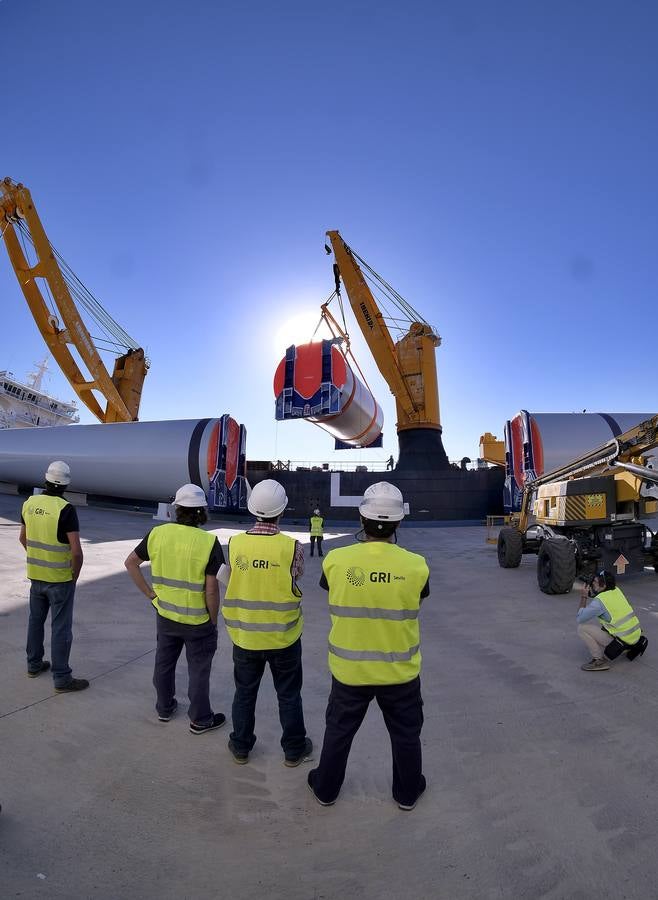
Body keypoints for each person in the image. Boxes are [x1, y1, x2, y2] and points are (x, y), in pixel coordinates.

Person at [308, 482, 430, 810]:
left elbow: (328, 588)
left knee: (338, 732)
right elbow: (418, 597)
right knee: (406, 735)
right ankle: (406, 793)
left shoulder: (335, 560)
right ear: (398, 522)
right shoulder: (416, 565)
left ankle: (326, 789)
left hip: (350, 672)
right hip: (399, 673)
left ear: (362, 520)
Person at [221, 479, 312, 766]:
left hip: (245, 636)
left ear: (253, 510)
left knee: (244, 694)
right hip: (284, 638)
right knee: (288, 695)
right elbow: (295, 579)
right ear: (281, 511)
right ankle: (294, 750)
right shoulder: (292, 547)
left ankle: (241, 747)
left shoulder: (235, 544)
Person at [124, 483, 225, 733]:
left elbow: (130, 563)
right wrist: (213, 621)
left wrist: (150, 595)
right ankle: (200, 719)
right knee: (199, 670)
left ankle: (164, 708)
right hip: (198, 620)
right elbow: (211, 589)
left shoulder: (158, 534)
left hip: (166, 614)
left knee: (164, 663)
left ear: (176, 509)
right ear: (202, 511)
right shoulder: (209, 542)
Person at [20, 460, 88, 692]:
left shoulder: (29, 503)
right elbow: (77, 552)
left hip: (36, 576)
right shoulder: (65, 509)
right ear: (66, 485)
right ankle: (61, 678)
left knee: (35, 621)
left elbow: (23, 538)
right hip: (60, 579)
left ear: (46, 479)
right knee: (60, 627)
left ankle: (33, 665)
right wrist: (74, 577)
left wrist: (38, 556)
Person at [577, 570, 647, 671]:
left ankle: (599, 661)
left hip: (622, 641)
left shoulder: (600, 601)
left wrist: (583, 596)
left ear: (604, 585)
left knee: (582, 628)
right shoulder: (616, 590)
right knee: (608, 620)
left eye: (596, 582)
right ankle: (626, 647)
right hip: (634, 637)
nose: (593, 583)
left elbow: (580, 618)